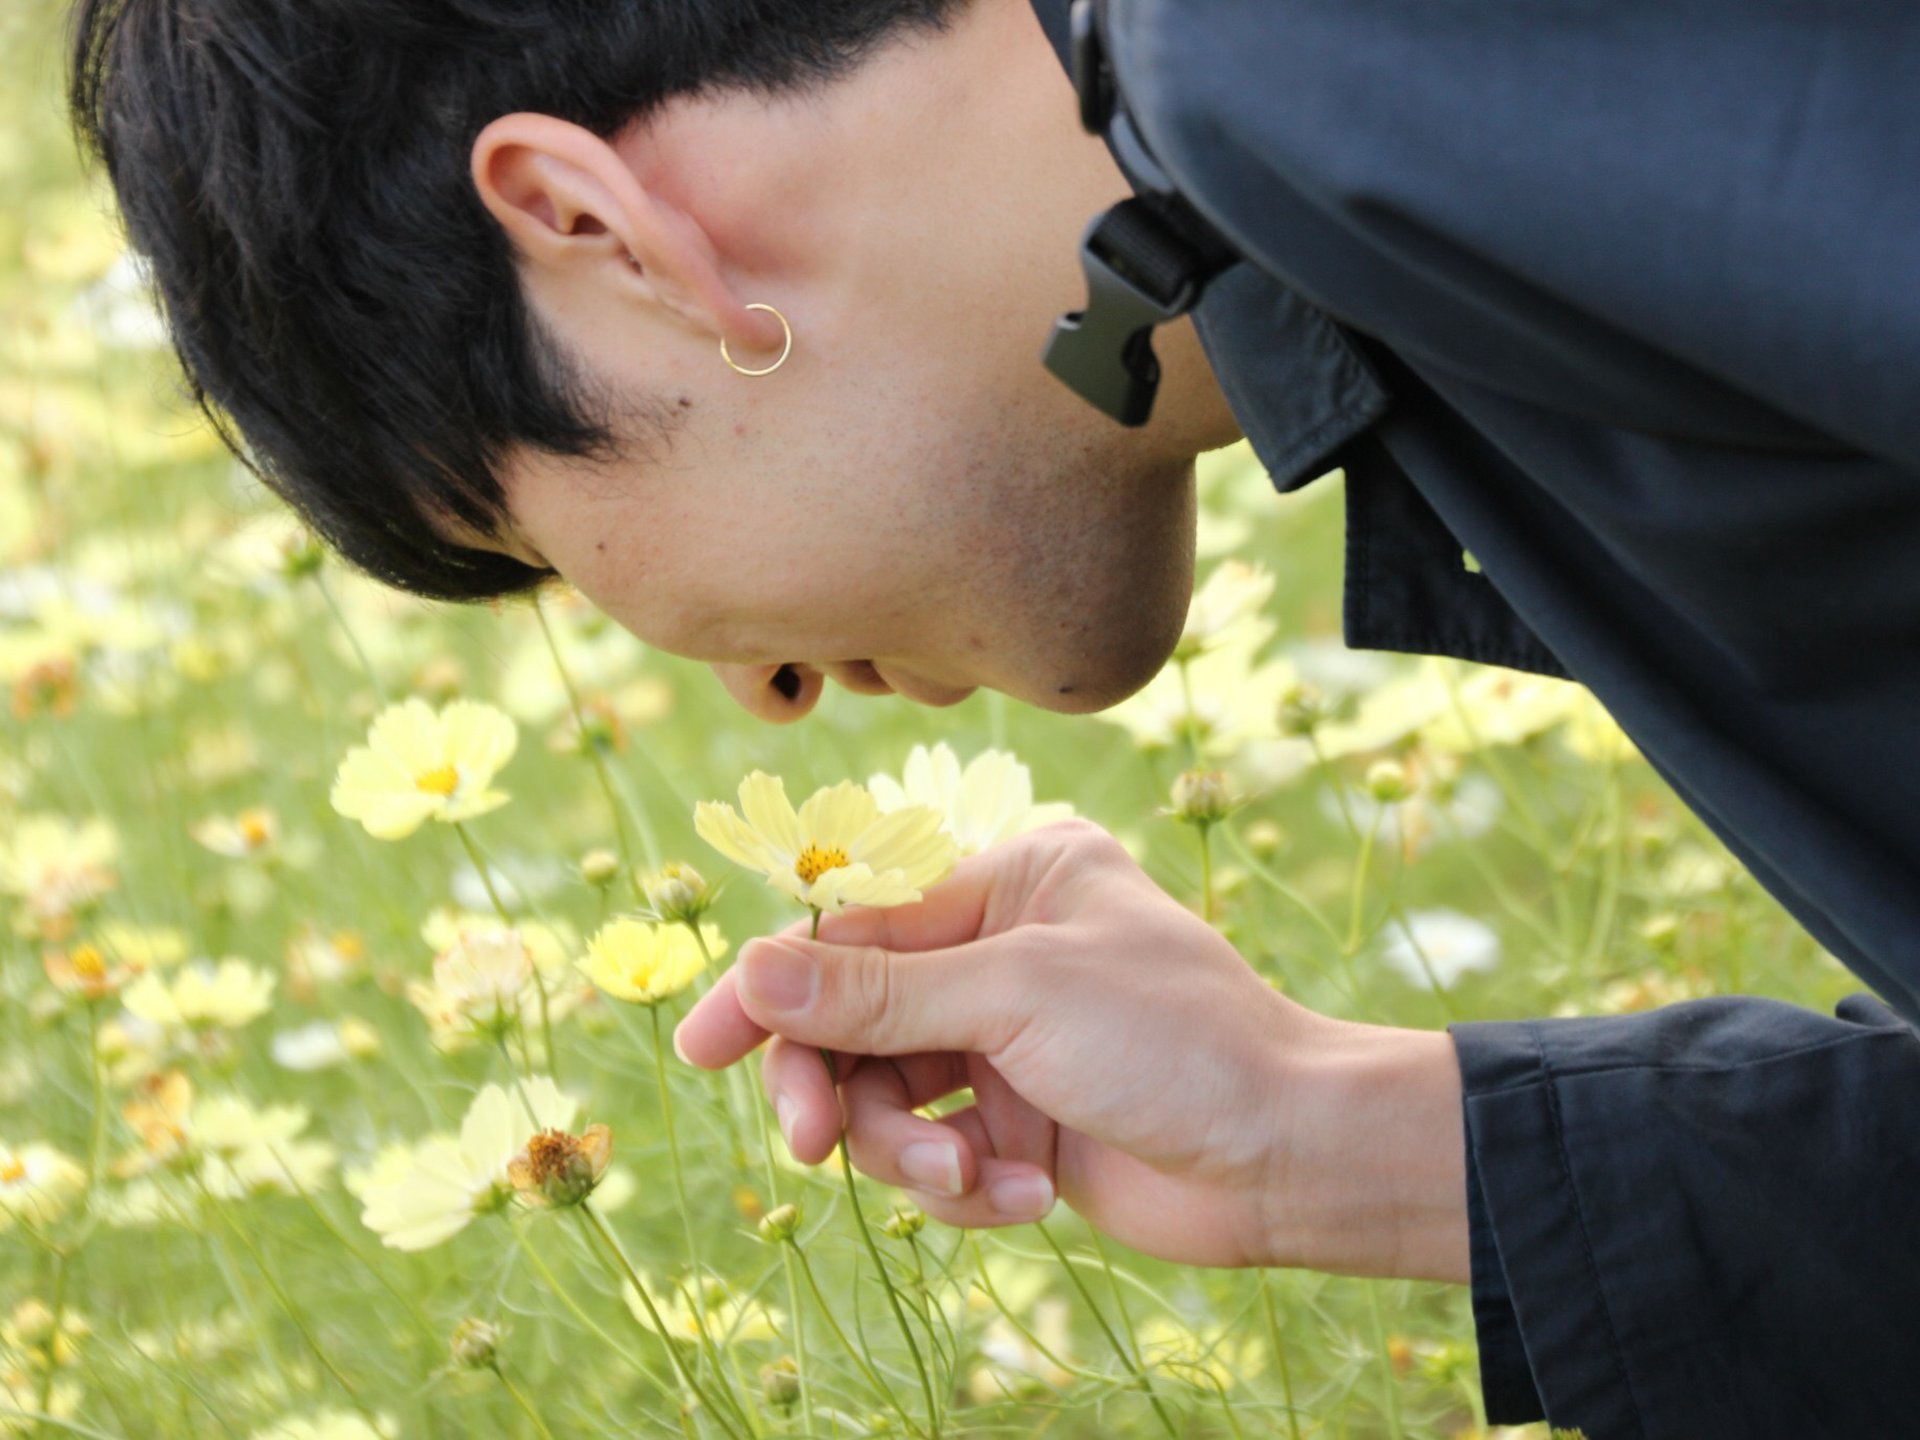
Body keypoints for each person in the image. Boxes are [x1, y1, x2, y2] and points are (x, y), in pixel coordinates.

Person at [67, 0, 1920, 1433]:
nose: (756, 691)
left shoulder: (1316, 71)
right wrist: (1333, 1131)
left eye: (541, 548)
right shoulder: (1347, 141)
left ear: (605, 233)